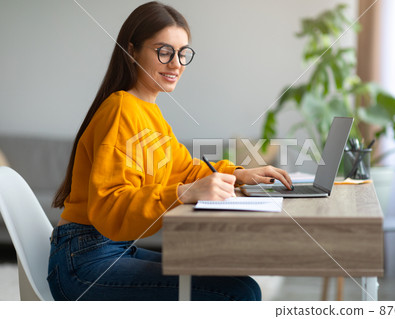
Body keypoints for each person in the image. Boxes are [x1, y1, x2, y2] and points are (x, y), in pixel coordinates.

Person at [48, 1, 293, 301]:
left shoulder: (149, 113)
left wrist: (241, 174)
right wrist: (184, 193)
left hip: (107, 248)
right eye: (164, 51)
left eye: (182, 53)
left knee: (242, 286)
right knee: (237, 293)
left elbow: (185, 169)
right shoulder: (121, 109)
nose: (176, 63)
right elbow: (111, 205)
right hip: (83, 261)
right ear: (132, 50)